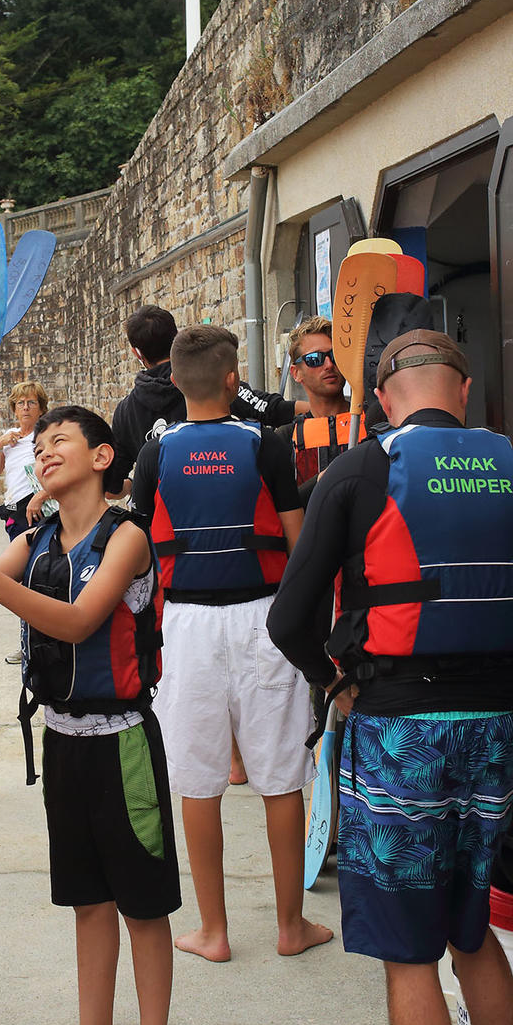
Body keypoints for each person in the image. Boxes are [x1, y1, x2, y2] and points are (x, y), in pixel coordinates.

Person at [266, 330, 513, 1025]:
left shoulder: (358, 471)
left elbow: (289, 618)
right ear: (465, 391)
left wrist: (333, 679)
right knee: (473, 928)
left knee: (410, 951)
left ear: (379, 398)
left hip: (400, 726)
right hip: (498, 727)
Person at [0, 405, 178, 1025]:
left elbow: (78, 621)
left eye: (59, 442)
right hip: (64, 740)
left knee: (142, 906)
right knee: (87, 900)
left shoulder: (126, 537)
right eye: (37, 446)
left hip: (124, 742)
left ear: (103, 457)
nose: (43, 453)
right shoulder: (41, 537)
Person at [129, 325, 332, 964]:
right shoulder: (265, 445)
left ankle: (213, 932)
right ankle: (290, 926)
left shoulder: (155, 454)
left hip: (186, 624)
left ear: (175, 382)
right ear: (229, 379)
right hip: (262, 619)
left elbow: (137, 542)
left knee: (197, 779)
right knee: (279, 778)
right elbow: (299, 549)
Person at [108, 305, 294, 488]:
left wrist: (140, 482)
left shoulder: (126, 413)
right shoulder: (213, 382)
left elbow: (112, 484)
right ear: (176, 337)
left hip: (163, 514)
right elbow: (272, 409)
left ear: (136, 352)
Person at [281, 316, 362, 502]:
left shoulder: (373, 422)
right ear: (296, 373)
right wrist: (320, 481)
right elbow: (282, 510)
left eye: (335, 356)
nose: (329, 365)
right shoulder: (286, 437)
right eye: (315, 359)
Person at [0, 379, 51, 540]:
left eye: (32, 402)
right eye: (20, 403)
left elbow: (64, 472)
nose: (25, 407)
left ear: (41, 409)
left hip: (38, 507)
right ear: (15, 410)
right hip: (13, 507)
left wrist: (42, 495)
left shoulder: (46, 435)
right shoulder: (9, 435)